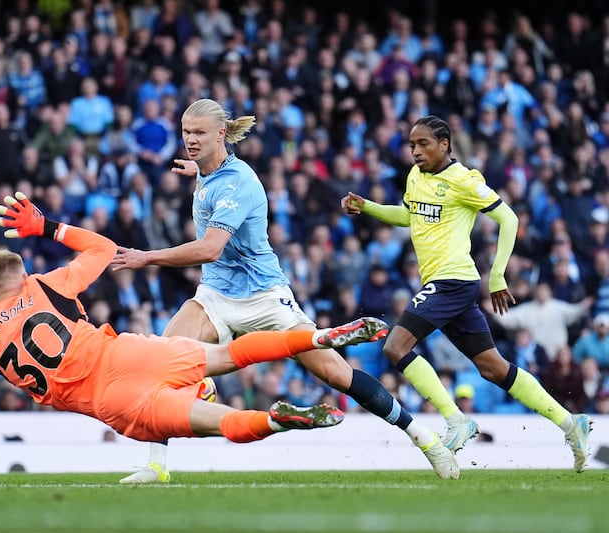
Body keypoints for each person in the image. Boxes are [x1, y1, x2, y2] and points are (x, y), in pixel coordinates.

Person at [111, 98, 459, 483]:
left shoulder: (237, 183)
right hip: (215, 296)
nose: (190, 140)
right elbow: (214, 179)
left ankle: (424, 438)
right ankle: (157, 466)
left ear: (220, 135)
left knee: (337, 375)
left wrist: (146, 258)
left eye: (199, 134)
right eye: (186, 133)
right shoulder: (209, 170)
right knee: (163, 360)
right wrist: (200, 167)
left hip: (264, 298)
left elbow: (210, 248)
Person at [0, 192, 388, 453]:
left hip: (110, 400)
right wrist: (48, 228)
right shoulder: (46, 285)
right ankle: (320, 335)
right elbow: (103, 249)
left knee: (222, 424)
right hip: (126, 352)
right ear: (22, 274)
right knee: (225, 355)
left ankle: (276, 420)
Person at [341, 115, 593, 472]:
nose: (415, 151)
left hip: (452, 281)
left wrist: (498, 276)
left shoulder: (463, 180)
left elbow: (509, 219)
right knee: (493, 368)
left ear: (445, 144)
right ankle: (572, 424)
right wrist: (368, 207)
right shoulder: (416, 177)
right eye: (412, 144)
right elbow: (410, 217)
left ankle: (456, 420)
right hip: (444, 284)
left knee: (395, 347)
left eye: (423, 144)